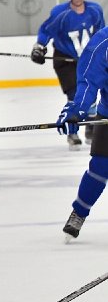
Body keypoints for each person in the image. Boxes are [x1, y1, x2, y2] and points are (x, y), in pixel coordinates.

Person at [31, 0, 105, 150]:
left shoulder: (95, 10)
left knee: (91, 94)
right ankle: (72, 129)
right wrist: (39, 47)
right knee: (74, 93)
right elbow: (46, 30)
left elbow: (102, 33)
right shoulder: (60, 13)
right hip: (66, 60)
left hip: (89, 59)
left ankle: (90, 126)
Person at [56, 24, 108, 242]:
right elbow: (88, 81)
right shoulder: (102, 43)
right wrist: (76, 109)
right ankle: (79, 212)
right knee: (99, 169)